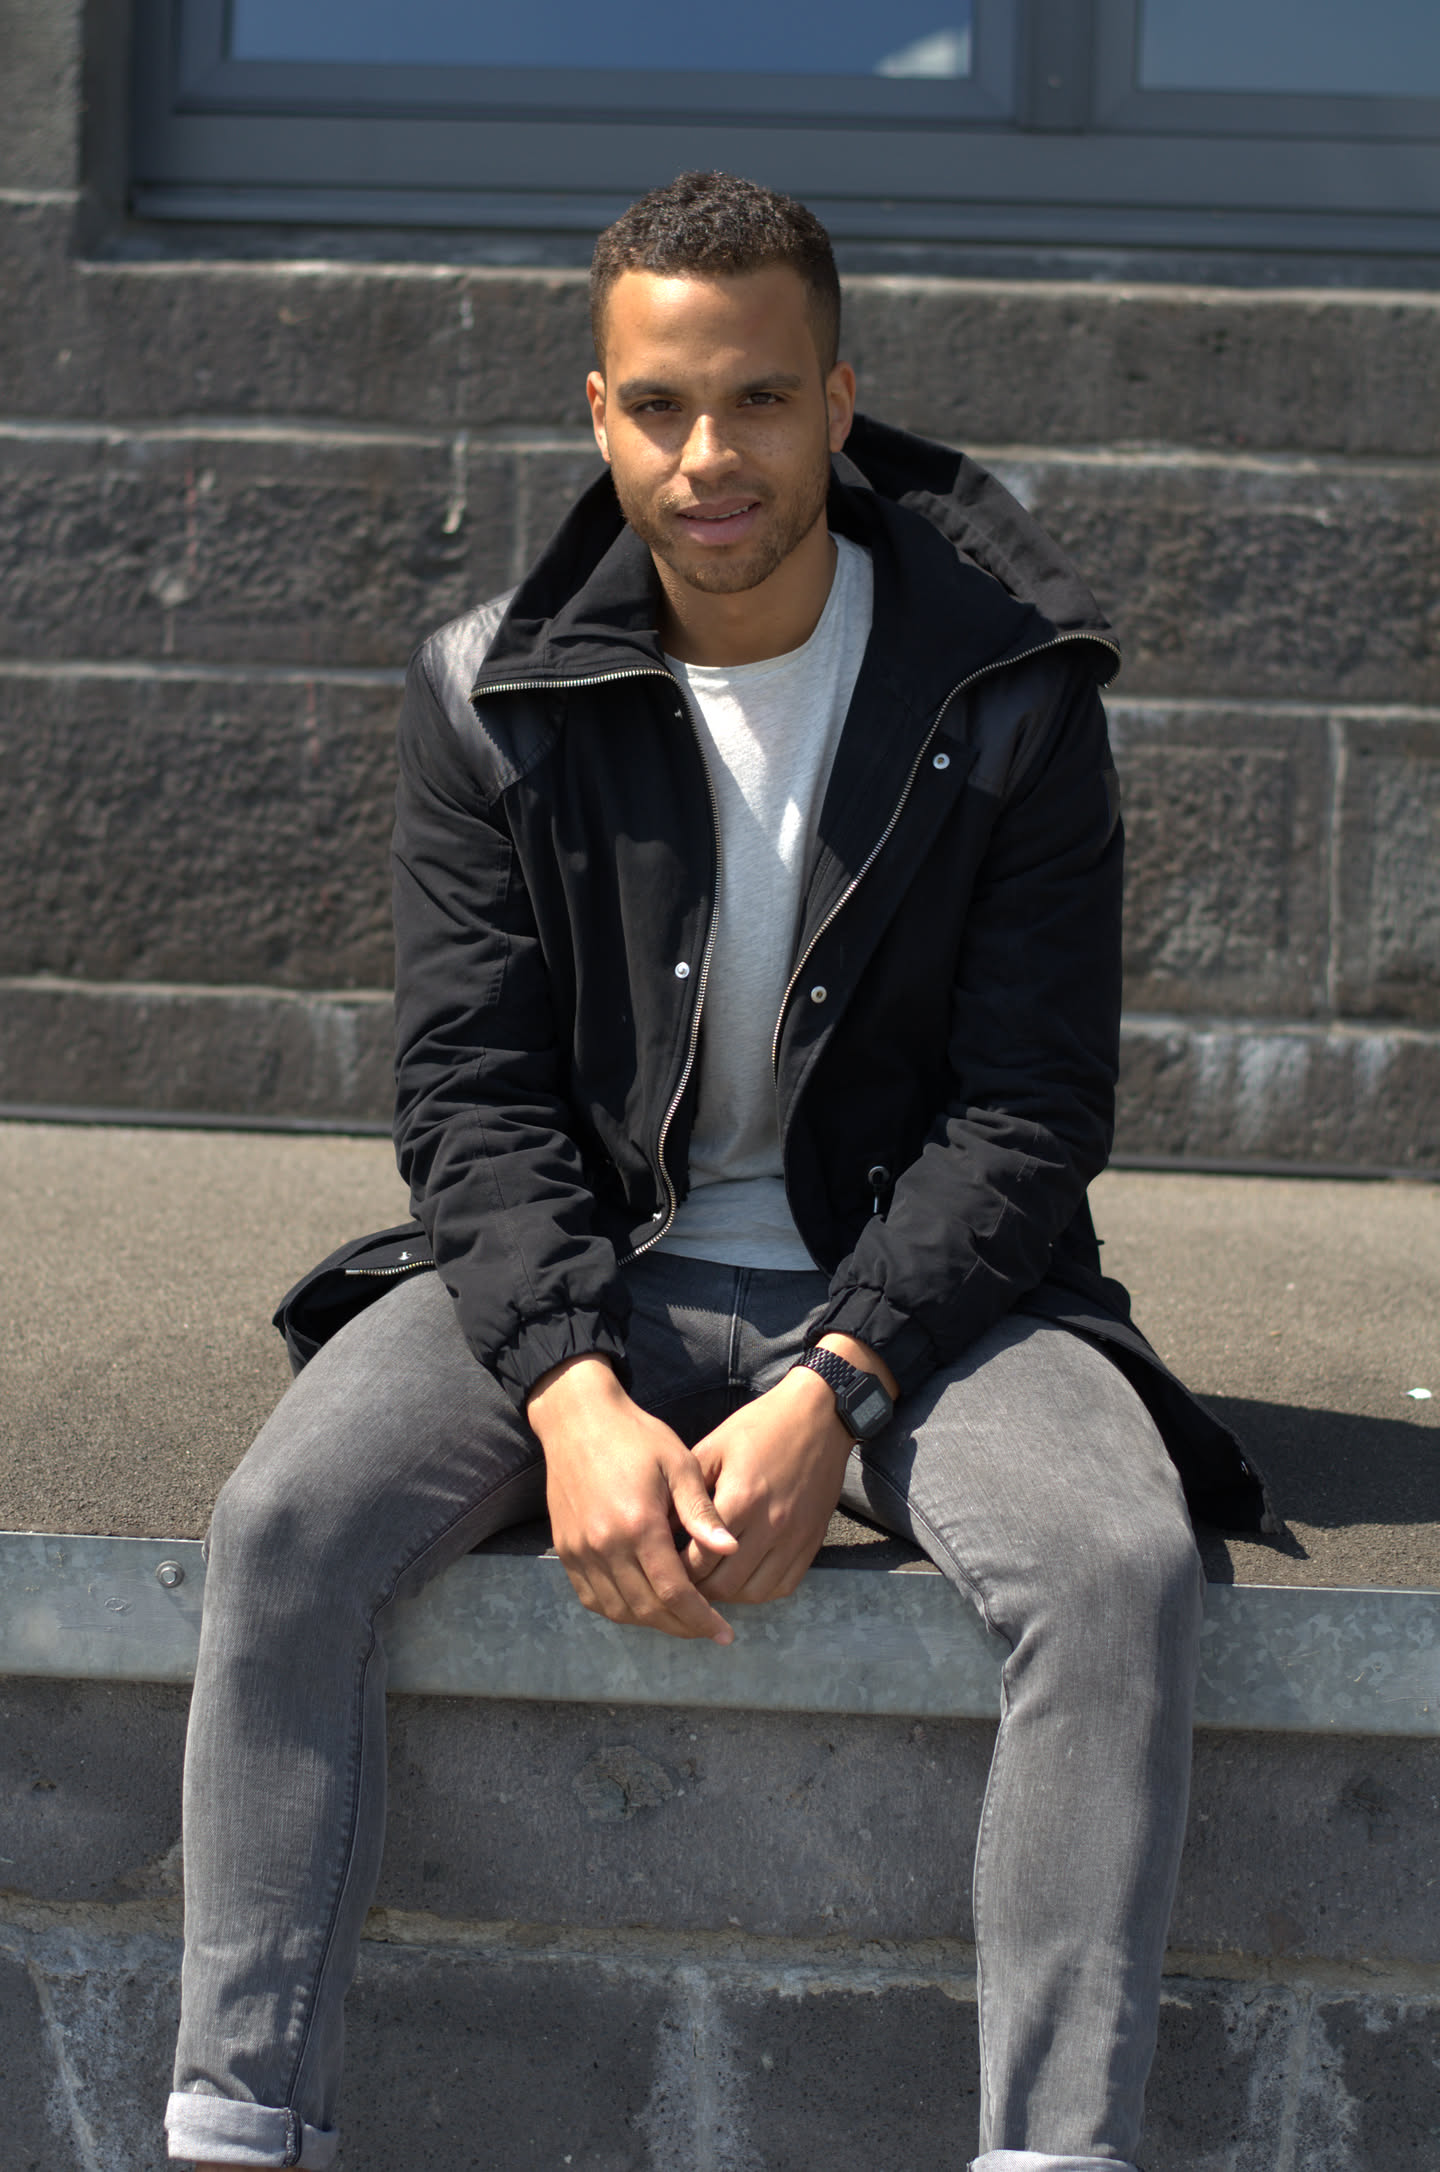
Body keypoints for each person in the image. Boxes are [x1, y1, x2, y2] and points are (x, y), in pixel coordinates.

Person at [165, 170, 1271, 2172]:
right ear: (598, 412)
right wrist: (571, 1394)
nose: (711, 457)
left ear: (839, 402)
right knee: (286, 1526)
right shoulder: (488, 689)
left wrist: (839, 1383)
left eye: (759, 400)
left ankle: (1055, 2153)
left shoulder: (1012, 689)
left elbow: (1029, 1115)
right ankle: (239, 2129)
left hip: (930, 1292)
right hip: (590, 1264)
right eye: (663, 406)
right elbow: (472, 1099)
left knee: (1118, 1570)